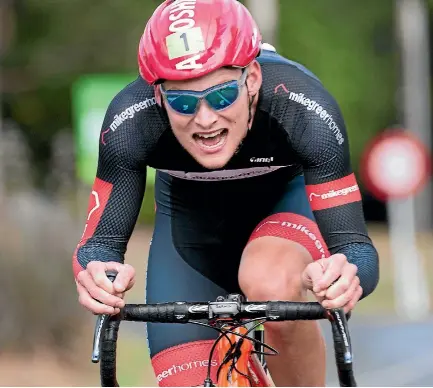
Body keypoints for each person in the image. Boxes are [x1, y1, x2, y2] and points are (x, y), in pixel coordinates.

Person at [72, 0, 379, 386]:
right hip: (191, 229)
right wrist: (96, 276)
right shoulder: (130, 122)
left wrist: (347, 277)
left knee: (269, 280)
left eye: (220, 96)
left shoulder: (303, 108)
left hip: (284, 209)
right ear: (158, 97)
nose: (205, 119)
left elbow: (358, 250)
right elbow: (99, 246)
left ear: (251, 78)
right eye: (183, 102)